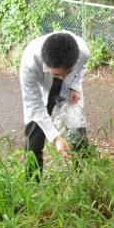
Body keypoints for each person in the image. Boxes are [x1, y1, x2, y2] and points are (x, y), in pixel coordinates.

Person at [19, 31, 90, 180]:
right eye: (58, 75)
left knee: (77, 131)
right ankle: (32, 187)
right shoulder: (29, 64)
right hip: (41, 89)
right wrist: (56, 138)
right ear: (46, 65)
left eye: (68, 72)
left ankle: (85, 179)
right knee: (34, 139)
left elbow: (81, 69)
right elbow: (35, 105)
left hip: (68, 91)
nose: (63, 78)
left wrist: (74, 85)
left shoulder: (82, 52)